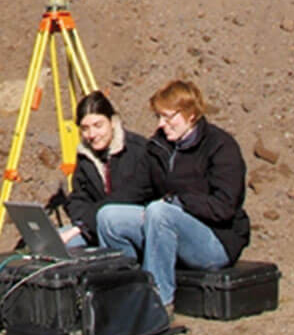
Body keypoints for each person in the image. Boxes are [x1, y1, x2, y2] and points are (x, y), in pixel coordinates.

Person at [92, 79, 249, 314]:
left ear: (191, 114)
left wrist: (180, 202)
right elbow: (132, 191)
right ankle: (123, 293)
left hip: (216, 241)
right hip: (169, 227)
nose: (161, 124)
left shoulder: (221, 147)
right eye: (158, 117)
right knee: (110, 216)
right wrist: (84, 223)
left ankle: (158, 304)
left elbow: (224, 207)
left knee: (160, 211)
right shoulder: (159, 146)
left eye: (168, 117)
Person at [60, 90, 157, 249]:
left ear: (112, 122)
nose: (92, 134)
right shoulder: (85, 155)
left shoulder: (138, 150)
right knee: (59, 242)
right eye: (85, 128)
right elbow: (78, 197)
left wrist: (83, 225)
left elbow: (128, 197)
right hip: (94, 225)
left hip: (135, 226)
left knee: (109, 220)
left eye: (98, 125)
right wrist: (83, 224)